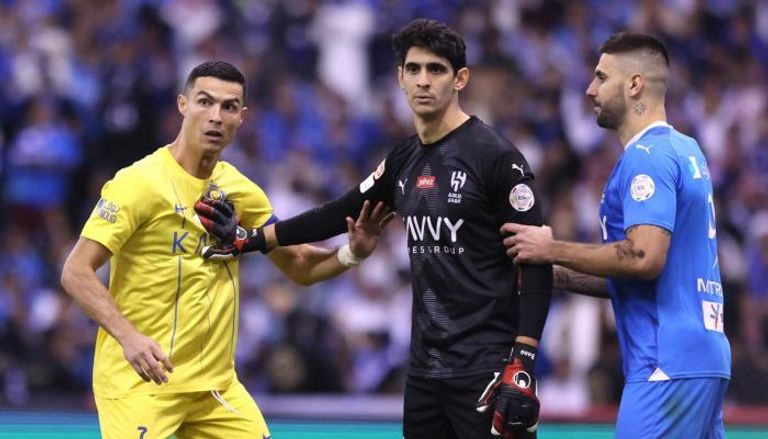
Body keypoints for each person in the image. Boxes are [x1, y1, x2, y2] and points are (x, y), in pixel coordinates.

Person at [195, 19, 552, 439]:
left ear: (460, 79)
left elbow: (536, 261)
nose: (423, 81)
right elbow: (339, 212)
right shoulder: (404, 158)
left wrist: (522, 361)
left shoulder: (495, 157)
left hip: (486, 366)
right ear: (399, 77)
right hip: (424, 371)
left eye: (436, 70)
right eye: (414, 69)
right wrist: (251, 240)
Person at [59, 61, 390, 439]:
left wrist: (353, 253)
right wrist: (128, 337)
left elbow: (298, 265)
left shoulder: (239, 190)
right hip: (141, 382)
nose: (216, 116)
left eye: (229, 107)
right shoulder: (138, 184)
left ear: (242, 117)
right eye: (205, 102)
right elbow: (75, 270)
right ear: (182, 105)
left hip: (214, 387)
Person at [502, 32, 731, 438]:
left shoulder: (647, 159)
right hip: (704, 359)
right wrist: (559, 273)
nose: (590, 89)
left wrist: (550, 246)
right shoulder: (686, 149)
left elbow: (644, 258)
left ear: (634, 84)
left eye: (600, 77)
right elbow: (652, 273)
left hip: (665, 365)